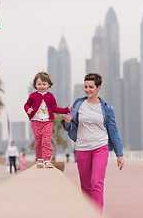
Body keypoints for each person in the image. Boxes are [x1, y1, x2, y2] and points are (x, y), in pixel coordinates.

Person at [61, 73, 124, 212]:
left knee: (96, 183)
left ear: (98, 88)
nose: (87, 90)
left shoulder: (107, 108)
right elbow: (71, 126)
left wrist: (119, 154)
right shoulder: (79, 104)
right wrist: (67, 122)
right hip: (82, 148)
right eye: (85, 87)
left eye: (91, 87)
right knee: (85, 187)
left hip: (100, 147)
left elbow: (113, 131)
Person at [24, 72, 72, 168]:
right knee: (38, 142)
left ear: (48, 85)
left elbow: (55, 109)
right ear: (35, 85)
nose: (41, 86)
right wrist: (28, 109)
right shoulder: (33, 96)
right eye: (39, 84)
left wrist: (66, 110)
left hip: (47, 122)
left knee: (46, 140)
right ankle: (39, 159)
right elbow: (26, 105)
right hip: (35, 122)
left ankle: (47, 160)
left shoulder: (50, 96)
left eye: (44, 84)